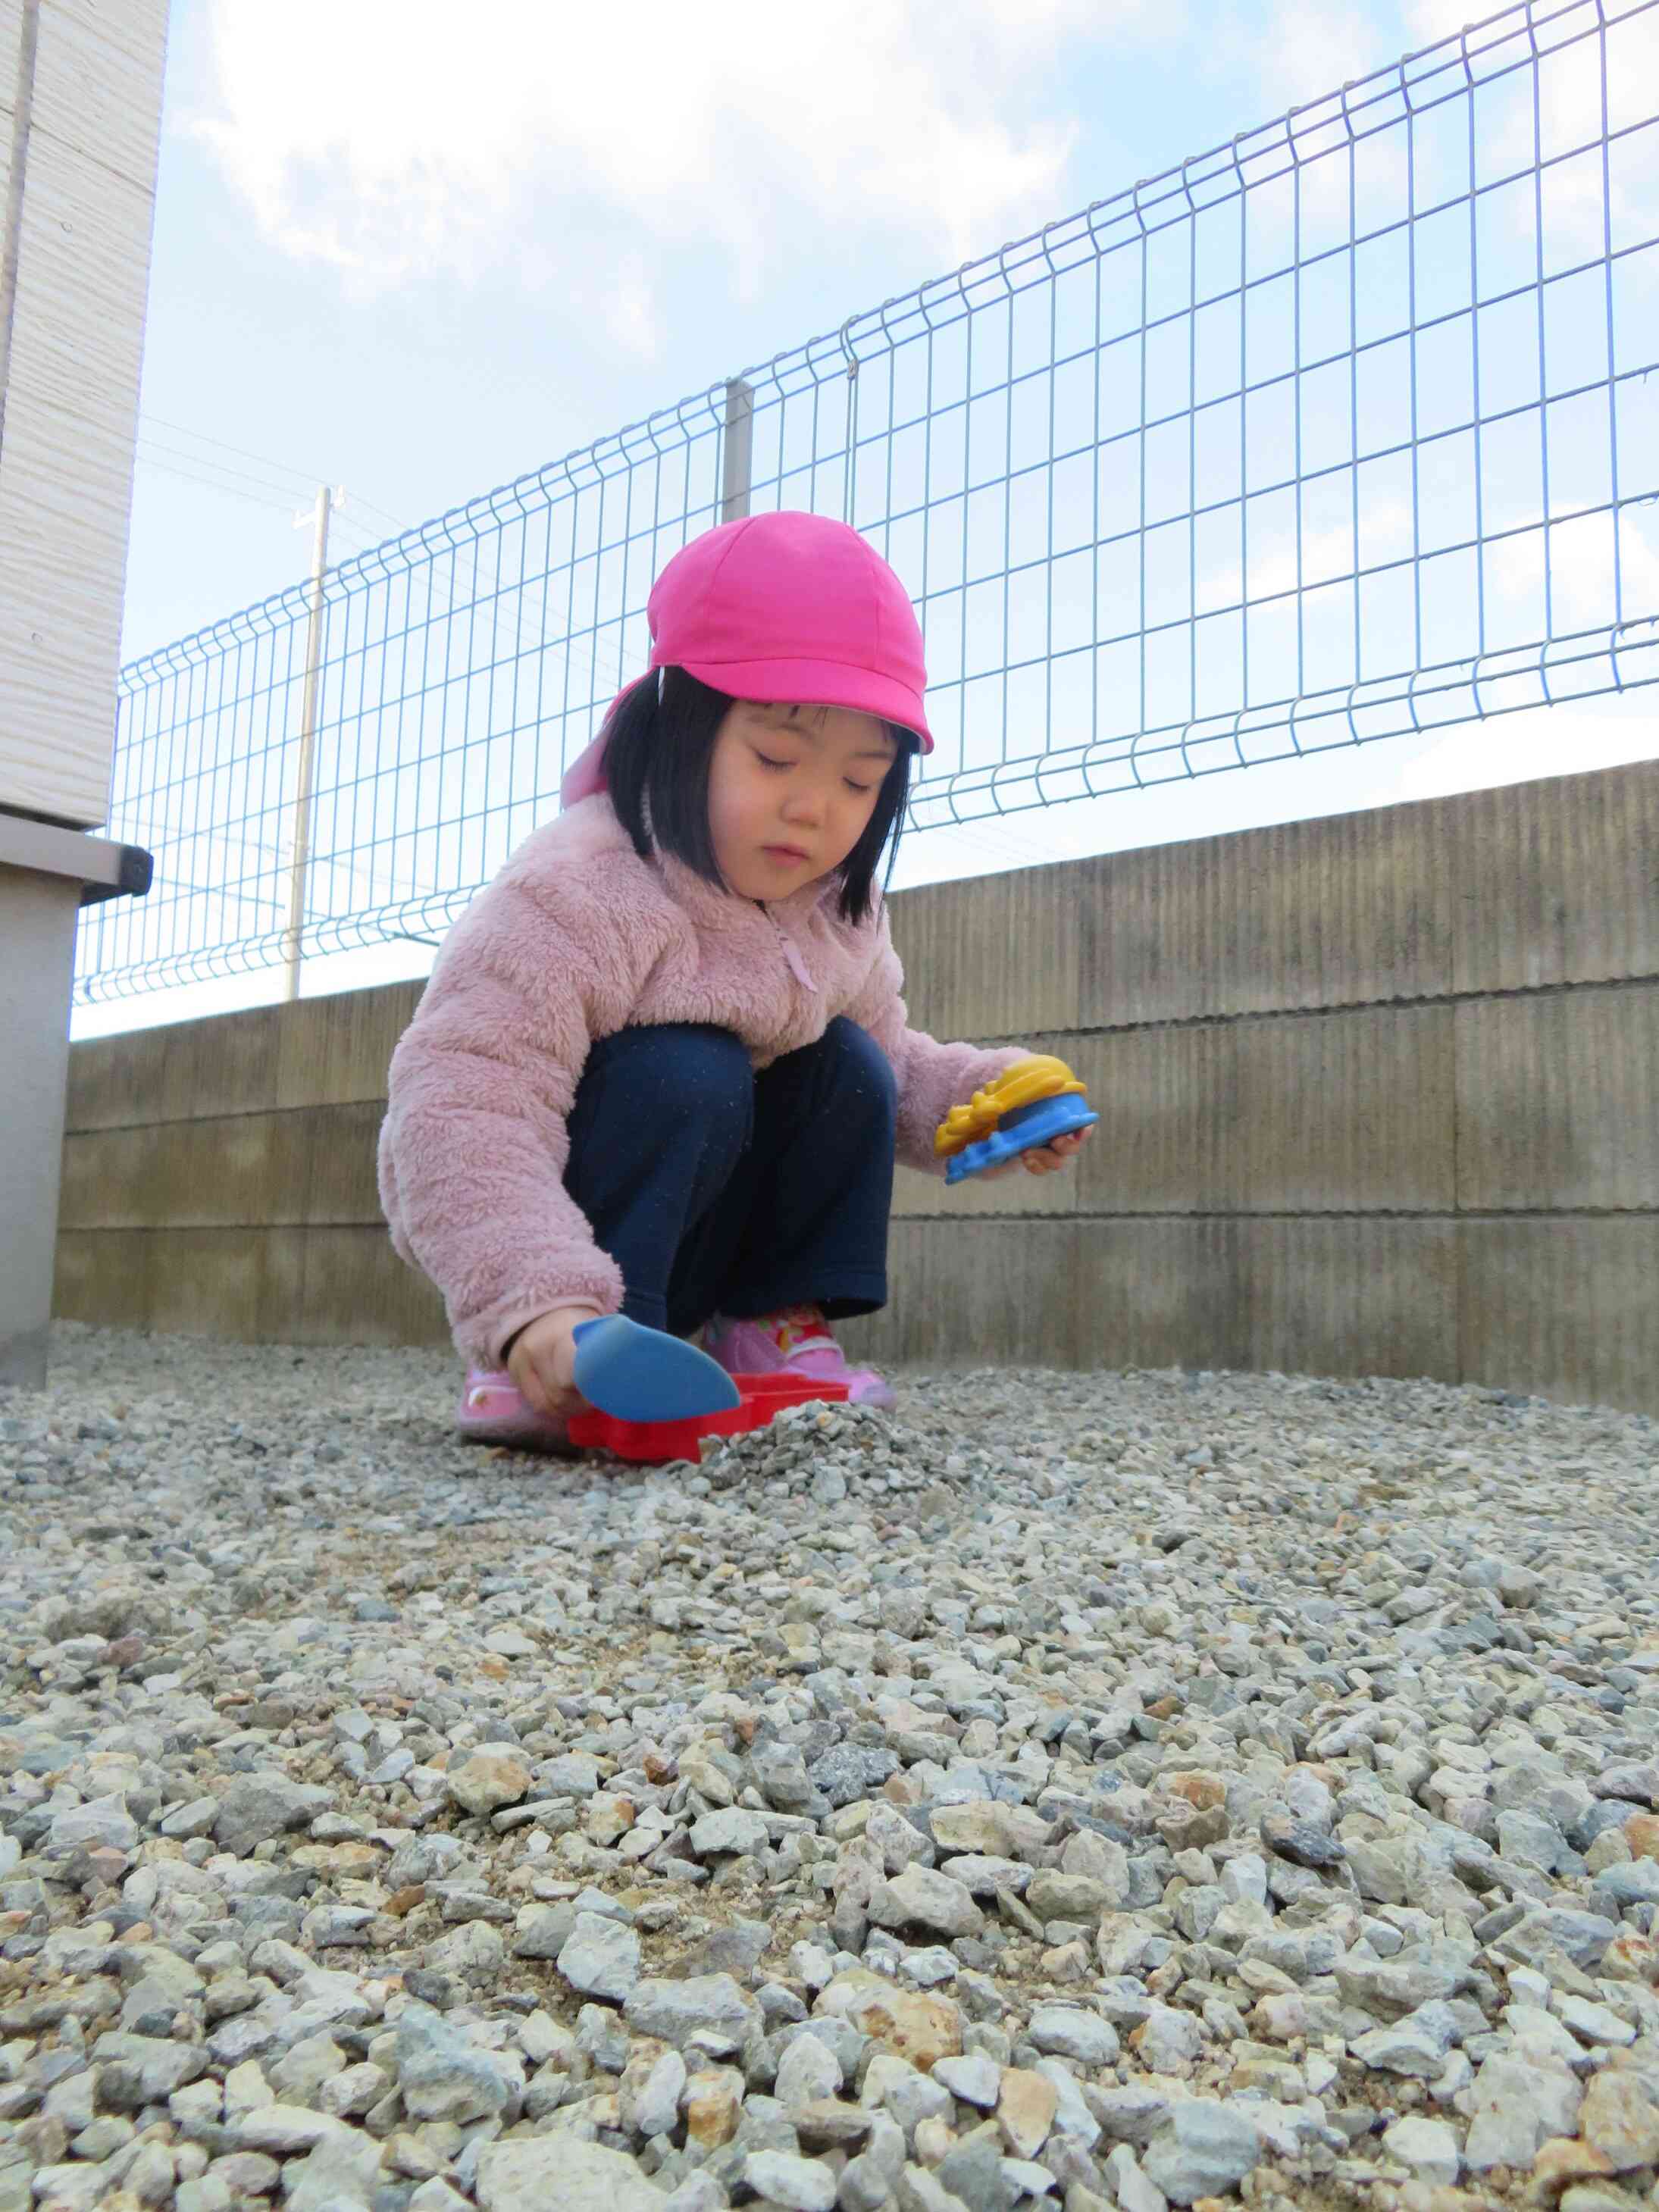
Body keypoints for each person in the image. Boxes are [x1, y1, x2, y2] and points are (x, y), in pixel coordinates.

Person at [378, 509, 1091, 1450]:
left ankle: (768, 1329)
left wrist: (981, 1102)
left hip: (704, 1242)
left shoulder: (838, 910)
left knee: (841, 1064)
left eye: (858, 781)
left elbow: (888, 1062)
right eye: (775, 758)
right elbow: (462, 1105)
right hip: (568, 1265)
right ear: (680, 728)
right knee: (689, 1066)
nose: (813, 808)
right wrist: (532, 1303)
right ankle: (577, 1355)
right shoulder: (575, 891)